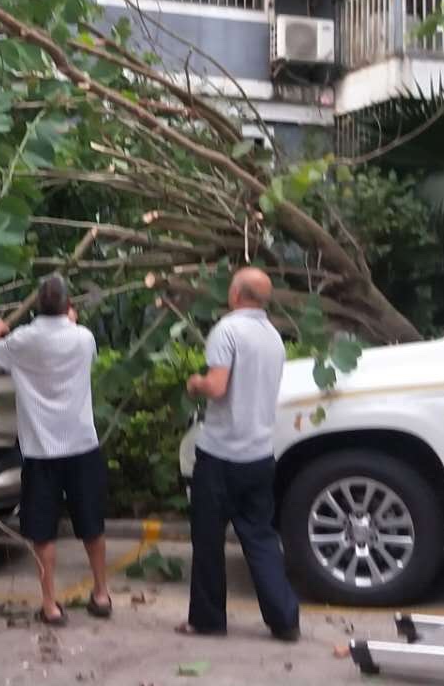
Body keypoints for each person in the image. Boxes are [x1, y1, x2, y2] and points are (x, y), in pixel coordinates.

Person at [0, 274, 112, 627]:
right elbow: (72, 334)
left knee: (42, 530)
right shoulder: (83, 338)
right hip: (82, 445)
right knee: (92, 524)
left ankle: (51, 604)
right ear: (69, 305)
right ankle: (101, 593)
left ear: (38, 305)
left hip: (41, 451)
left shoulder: (22, 341)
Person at [179, 266, 301, 642]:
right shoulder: (273, 338)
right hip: (260, 454)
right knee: (261, 537)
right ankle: (284, 619)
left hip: (220, 455)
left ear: (235, 295)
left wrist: (195, 382)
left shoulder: (227, 330)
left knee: (209, 539)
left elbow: (217, 387)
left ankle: (208, 620)